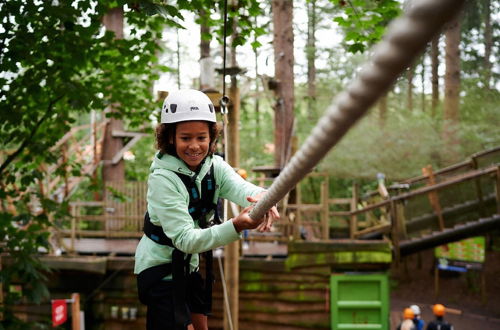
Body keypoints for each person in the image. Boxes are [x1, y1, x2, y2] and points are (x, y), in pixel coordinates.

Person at [134, 89, 280, 330]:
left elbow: (242, 188)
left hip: (187, 267)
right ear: (171, 137)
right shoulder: (163, 179)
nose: (194, 146)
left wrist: (265, 197)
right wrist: (236, 226)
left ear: (211, 137)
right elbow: (185, 240)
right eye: (185, 138)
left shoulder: (214, 167)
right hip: (160, 270)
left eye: (201, 137)